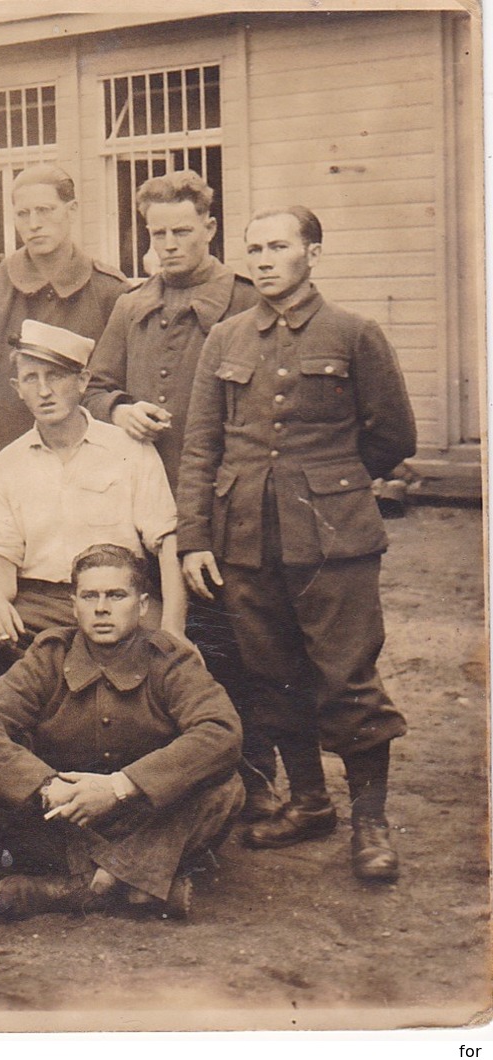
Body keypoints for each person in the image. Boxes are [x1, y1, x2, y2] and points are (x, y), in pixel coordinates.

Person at [176, 206, 416, 881]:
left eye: (277, 246)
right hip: (245, 539)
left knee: (347, 679)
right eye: (252, 248)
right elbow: (201, 447)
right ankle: (309, 802)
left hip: (333, 542)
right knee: (270, 676)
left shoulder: (352, 333)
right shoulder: (224, 338)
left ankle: (369, 826)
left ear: (311, 253)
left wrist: (331, 486)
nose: (262, 258)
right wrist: (194, 539)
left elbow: (393, 436)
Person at [83, 171, 278, 822]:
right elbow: (92, 386)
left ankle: (255, 775)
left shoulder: (246, 302)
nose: (167, 244)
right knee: (158, 635)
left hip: (228, 503)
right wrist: (119, 408)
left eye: (181, 232)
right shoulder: (129, 305)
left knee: (238, 641)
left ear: (210, 230)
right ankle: (174, 772)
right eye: (156, 232)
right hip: (144, 501)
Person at [0, 544, 243, 920]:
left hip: (148, 818)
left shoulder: (170, 660)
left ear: (141, 606)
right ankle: (135, 885)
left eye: (116, 595)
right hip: (66, 817)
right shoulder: (48, 657)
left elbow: (221, 730)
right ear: (74, 605)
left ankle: (76, 889)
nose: (101, 608)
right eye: (90, 596)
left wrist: (120, 787)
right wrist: (47, 787)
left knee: (226, 788)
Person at [0, 320, 185, 694]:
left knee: (164, 655)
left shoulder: (129, 449)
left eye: (56, 376)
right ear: (17, 389)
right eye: (30, 378)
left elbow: (167, 542)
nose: (44, 390)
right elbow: (2, 557)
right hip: (38, 603)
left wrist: (174, 628)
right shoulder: (5, 465)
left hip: (118, 598)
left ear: (82, 380)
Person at [0, 165, 128, 538]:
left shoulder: (110, 292)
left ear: (71, 211)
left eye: (46, 211)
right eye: (23, 214)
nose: (34, 223)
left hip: (87, 477)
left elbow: (114, 383)